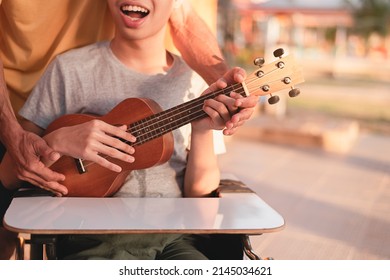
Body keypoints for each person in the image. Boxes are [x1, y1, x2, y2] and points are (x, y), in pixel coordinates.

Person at [0, 0, 257, 259]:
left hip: (175, 239)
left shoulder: (195, 82)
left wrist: (201, 132)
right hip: (92, 241)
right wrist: (55, 141)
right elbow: (8, 173)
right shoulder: (69, 70)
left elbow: (201, 200)